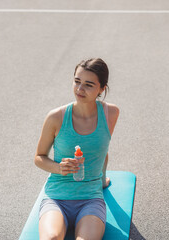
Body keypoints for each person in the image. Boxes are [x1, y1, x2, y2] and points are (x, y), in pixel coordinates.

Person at [34, 58, 119, 240]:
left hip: (91, 199)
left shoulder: (110, 114)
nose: (80, 89)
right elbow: (39, 157)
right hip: (56, 196)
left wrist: (102, 180)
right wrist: (58, 168)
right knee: (51, 239)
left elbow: (101, 151)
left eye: (88, 85)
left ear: (102, 89)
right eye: (77, 81)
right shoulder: (56, 117)